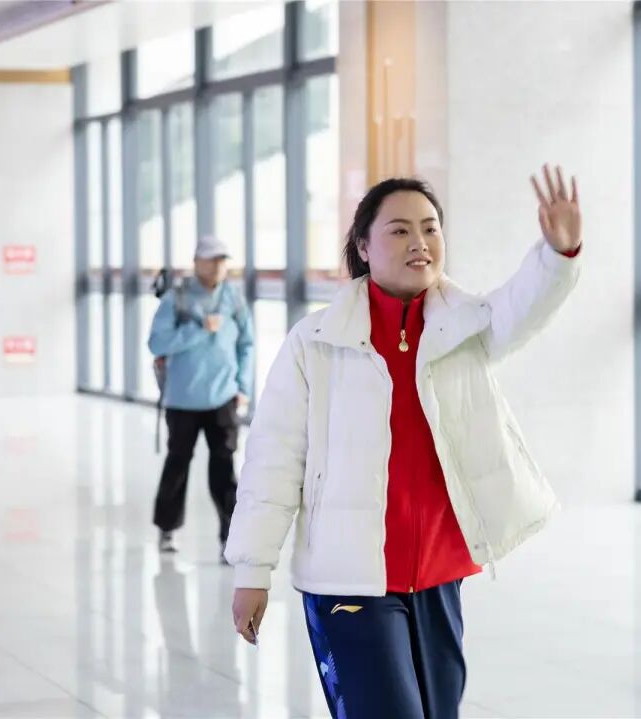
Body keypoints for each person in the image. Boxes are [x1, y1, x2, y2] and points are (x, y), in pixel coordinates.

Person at [225, 165, 583, 717]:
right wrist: (252, 570)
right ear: (363, 247)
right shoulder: (315, 342)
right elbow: (273, 461)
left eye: (430, 228)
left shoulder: (464, 328)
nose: (420, 242)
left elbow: (523, 306)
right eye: (399, 230)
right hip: (348, 580)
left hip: (439, 573)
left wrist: (558, 254)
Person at [147, 235, 254, 562]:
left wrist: (243, 387)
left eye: (222, 260)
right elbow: (157, 343)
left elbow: (246, 344)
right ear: (196, 263)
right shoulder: (176, 299)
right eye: (211, 259)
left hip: (223, 397)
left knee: (224, 468)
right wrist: (199, 330)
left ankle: (230, 538)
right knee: (177, 462)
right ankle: (167, 528)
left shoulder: (234, 298)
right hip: (182, 399)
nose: (218, 266)